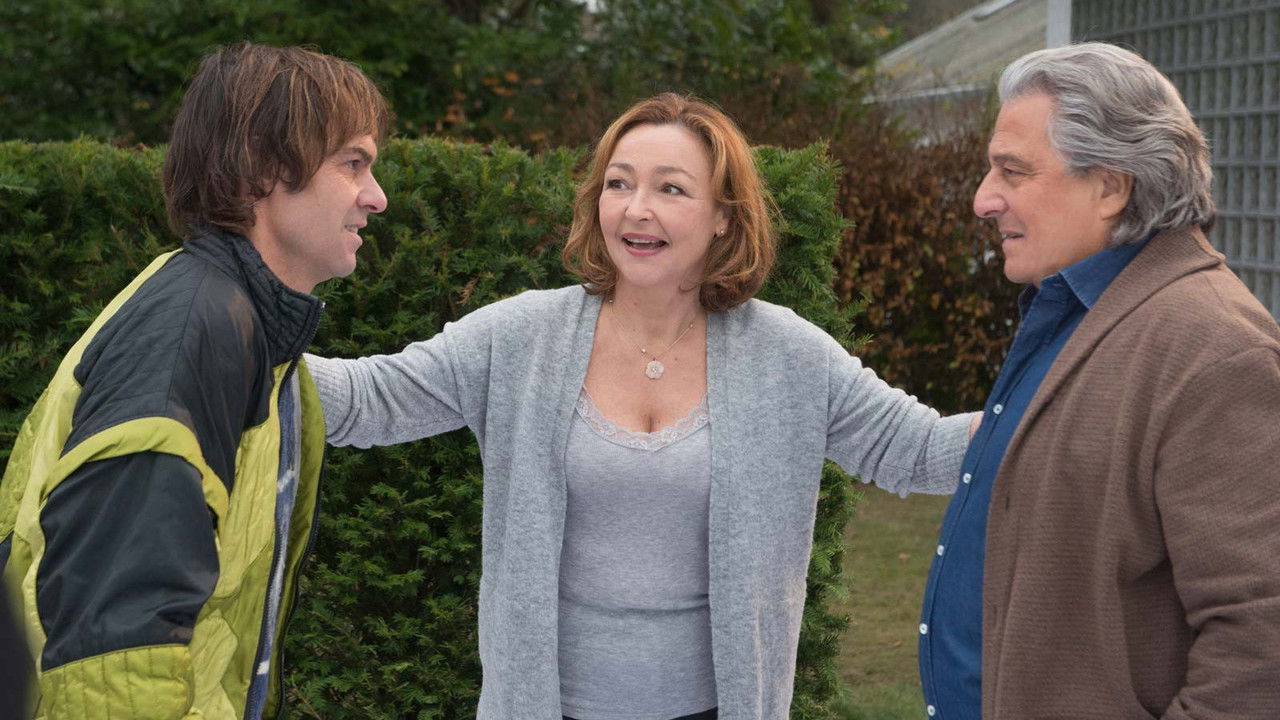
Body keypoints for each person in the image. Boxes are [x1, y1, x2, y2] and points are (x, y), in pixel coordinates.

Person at [305, 92, 977, 720]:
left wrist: (1039, 404)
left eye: (670, 189)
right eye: (619, 184)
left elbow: (920, 451)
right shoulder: (519, 337)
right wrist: (251, 327)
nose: (635, 210)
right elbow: (364, 402)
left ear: (724, 216)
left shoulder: (789, 356)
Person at [0, 43, 388, 719]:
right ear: (262, 168)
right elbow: (115, 657)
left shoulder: (242, 327)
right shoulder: (193, 335)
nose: (375, 197)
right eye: (352, 163)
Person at [917, 42, 1280, 720]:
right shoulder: (1075, 308)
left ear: (1112, 187)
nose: (982, 200)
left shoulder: (1216, 351)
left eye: (1012, 171)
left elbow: (1262, 644)